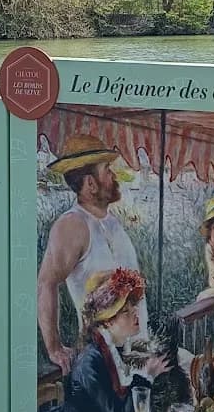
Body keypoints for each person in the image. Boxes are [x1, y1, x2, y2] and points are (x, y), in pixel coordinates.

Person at [37, 268, 168, 412]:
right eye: (126, 311)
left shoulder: (111, 348)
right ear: (107, 322)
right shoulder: (91, 360)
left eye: (133, 306)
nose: (136, 313)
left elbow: (119, 401)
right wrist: (146, 376)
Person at [38, 134, 148, 373]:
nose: (114, 175)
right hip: (104, 362)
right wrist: (54, 348)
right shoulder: (72, 225)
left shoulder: (112, 222)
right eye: (107, 170)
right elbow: (46, 283)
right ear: (90, 183)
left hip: (136, 355)